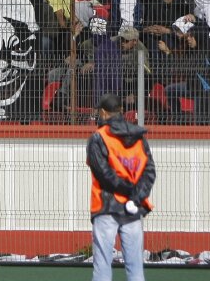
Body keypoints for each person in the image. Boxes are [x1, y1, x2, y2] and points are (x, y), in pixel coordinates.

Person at [86, 92, 155, 281]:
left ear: (103, 112)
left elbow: (103, 175)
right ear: (121, 110)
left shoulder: (98, 137)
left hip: (106, 206)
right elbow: (149, 172)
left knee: (102, 266)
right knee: (135, 268)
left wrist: (127, 190)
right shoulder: (139, 137)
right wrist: (136, 195)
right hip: (132, 208)